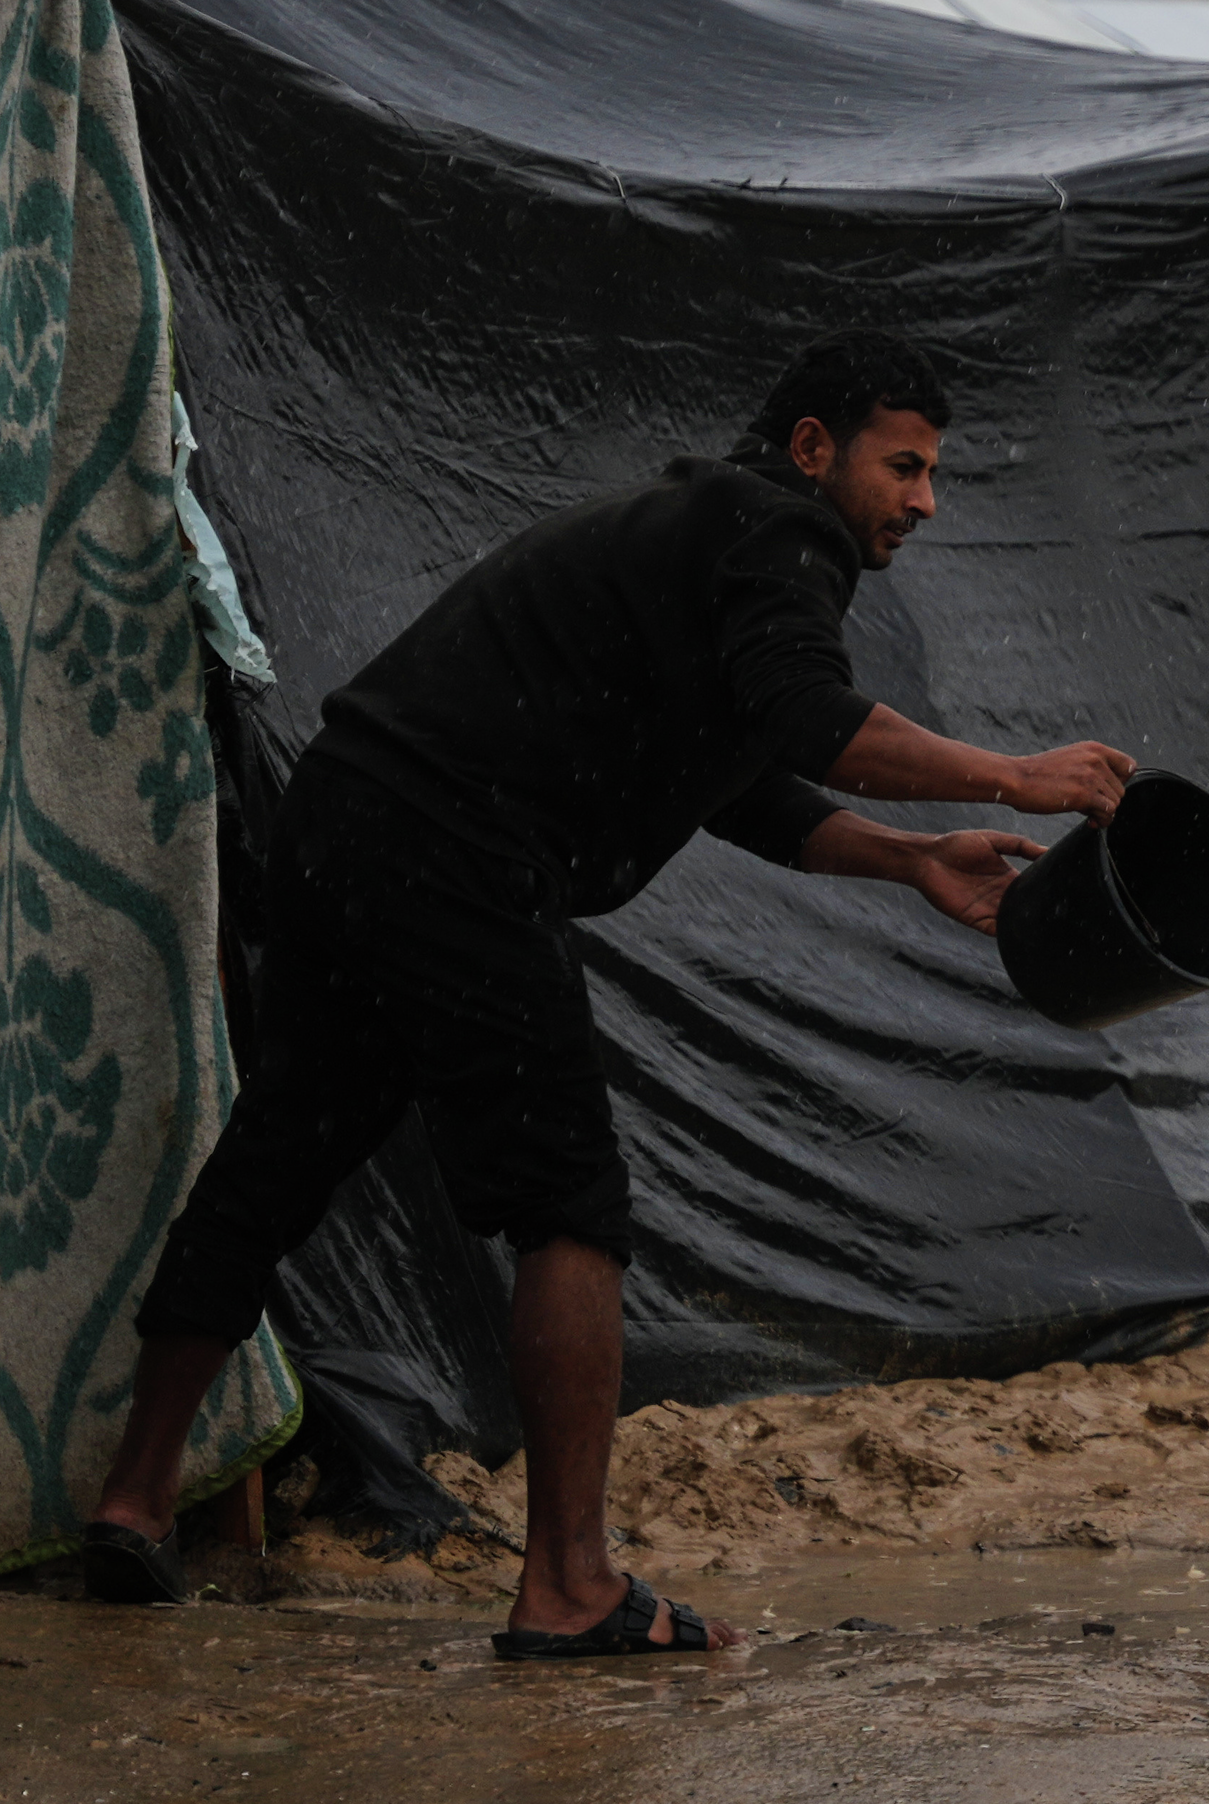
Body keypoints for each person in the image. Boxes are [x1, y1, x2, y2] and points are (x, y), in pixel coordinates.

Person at [73, 332, 1135, 1650]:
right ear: (815, 449)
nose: (924, 502)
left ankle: (132, 1499)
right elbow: (810, 718)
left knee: (283, 1154)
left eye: (933, 475)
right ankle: (570, 1585)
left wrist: (914, 860)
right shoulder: (779, 533)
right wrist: (1016, 775)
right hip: (457, 845)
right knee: (570, 1202)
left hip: (347, 821)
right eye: (904, 467)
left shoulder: (699, 529)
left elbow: (746, 781)